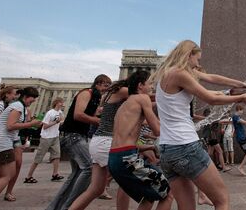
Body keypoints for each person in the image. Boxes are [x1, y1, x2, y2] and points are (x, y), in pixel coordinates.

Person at [154, 40, 246, 210]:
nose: (198, 64)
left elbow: (211, 78)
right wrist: (241, 98)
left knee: (186, 207)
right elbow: (211, 99)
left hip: (166, 150)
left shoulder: (168, 74)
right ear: (188, 55)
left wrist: (240, 84)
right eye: (198, 59)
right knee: (222, 200)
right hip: (185, 146)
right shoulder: (180, 74)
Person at [68, 73, 138, 210]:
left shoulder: (111, 94)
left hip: (98, 141)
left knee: (96, 189)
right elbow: (145, 97)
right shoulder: (122, 91)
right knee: (128, 182)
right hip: (108, 142)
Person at [107, 71, 171, 210]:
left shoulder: (125, 104)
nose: (152, 86)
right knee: (167, 192)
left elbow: (154, 102)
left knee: (149, 196)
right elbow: (157, 130)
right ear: (141, 85)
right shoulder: (143, 98)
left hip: (114, 159)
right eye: (150, 83)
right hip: (128, 159)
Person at [45, 74, 111, 210]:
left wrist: (100, 113)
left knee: (76, 174)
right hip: (73, 136)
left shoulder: (96, 97)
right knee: (89, 168)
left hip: (79, 136)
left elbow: (90, 115)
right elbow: (78, 115)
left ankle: (56, 207)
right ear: (99, 83)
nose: (107, 89)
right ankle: (68, 206)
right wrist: (98, 121)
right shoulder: (87, 92)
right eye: (106, 85)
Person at [23, 98, 65, 184]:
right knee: (39, 157)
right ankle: (29, 176)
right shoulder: (50, 113)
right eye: (61, 103)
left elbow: (60, 122)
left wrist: (62, 122)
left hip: (55, 136)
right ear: (56, 103)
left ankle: (55, 174)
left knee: (57, 155)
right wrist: (56, 122)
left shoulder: (60, 113)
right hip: (46, 137)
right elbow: (45, 126)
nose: (63, 104)